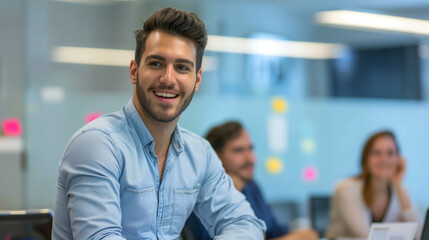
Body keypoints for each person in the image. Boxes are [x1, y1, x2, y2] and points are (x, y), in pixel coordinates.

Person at [52, 8, 266, 240]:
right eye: (156, 63)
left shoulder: (199, 154)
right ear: (134, 71)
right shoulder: (98, 144)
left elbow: (246, 223)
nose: (168, 78)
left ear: (197, 79)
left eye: (182, 67)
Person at [184, 121, 318, 240]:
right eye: (238, 150)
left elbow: (278, 232)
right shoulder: (202, 194)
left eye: (251, 149)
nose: (250, 159)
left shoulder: (251, 188)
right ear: (216, 157)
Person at [325, 130, 419, 239]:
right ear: (366, 159)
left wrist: (398, 183)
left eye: (390, 153)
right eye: (377, 153)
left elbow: (419, 233)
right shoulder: (346, 189)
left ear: (398, 159)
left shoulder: (399, 190)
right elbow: (365, 235)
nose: (384, 160)